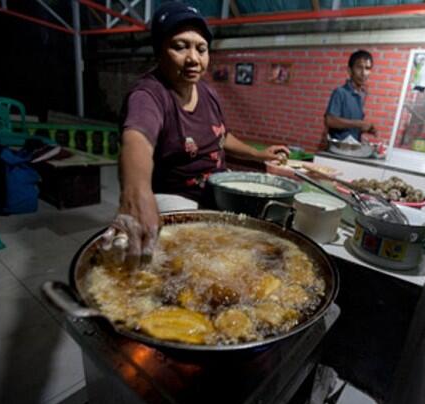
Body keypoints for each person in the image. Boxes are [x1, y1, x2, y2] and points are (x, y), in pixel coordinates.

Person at [101, 1, 288, 268]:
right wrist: (135, 192)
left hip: (218, 188)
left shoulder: (208, 92)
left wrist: (258, 154)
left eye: (201, 49)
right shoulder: (149, 94)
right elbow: (136, 139)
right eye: (180, 46)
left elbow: (221, 137)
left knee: (260, 244)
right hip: (177, 196)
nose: (193, 59)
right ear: (158, 50)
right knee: (193, 262)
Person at [324, 50, 376, 143]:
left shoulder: (362, 95)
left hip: (352, 149)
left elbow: (351, 125)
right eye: (359, 67)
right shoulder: (340, 92)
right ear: (349, 70)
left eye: (367, 68)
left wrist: (365, 129)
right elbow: (330, 120)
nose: (363, 73)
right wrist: (359, 124)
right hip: (337, 150)